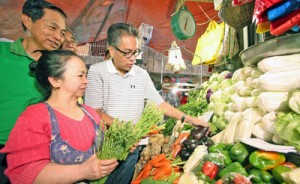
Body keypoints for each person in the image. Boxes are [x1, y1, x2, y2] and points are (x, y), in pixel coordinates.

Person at [84, 23, 208, 184]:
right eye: (127, 53)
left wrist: (189, 119)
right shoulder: (97, 71)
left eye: (135, 52)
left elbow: (159, 104)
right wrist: (124, 130)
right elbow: (94, 111)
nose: (132, 58)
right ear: (112, 50)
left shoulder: (141, 74)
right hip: (104, 148)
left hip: (132, 149)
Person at [0, 50, 120, 183]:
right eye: (80, 76)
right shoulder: (34, 117)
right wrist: (82, 171)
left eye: (86, 75)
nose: (86, 81)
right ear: (55, 80)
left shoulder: (91, 114)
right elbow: (25, 172)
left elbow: (101, 152)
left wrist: (120, 144)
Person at [0, 1, 67, 182]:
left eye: (62, 33)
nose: (57, 37)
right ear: (27, 21)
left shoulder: (60, 67)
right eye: (51, 28)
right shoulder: (2, 53)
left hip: (40, 154)